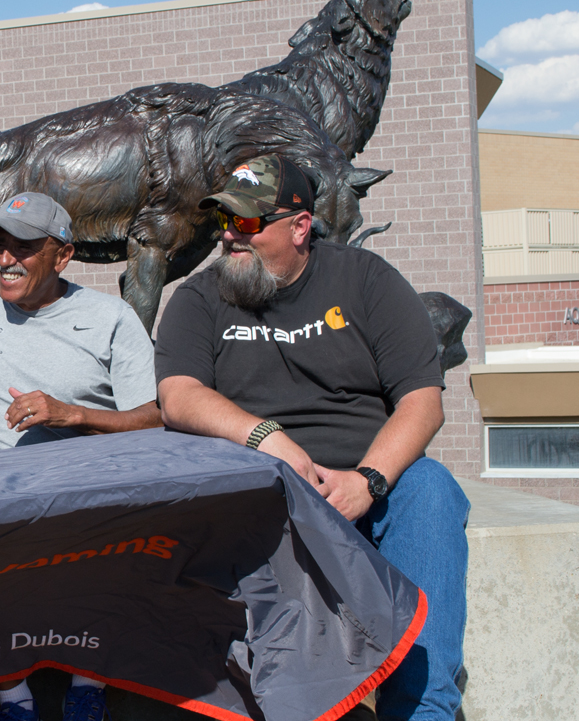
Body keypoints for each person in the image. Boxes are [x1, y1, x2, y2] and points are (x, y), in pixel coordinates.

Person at [154, 154, 469, 721]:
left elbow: (422, 400)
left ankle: (423, 708)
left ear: (300, 226)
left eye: (248, 222)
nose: (230, 236)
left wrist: (368, 481)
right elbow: (178, 396)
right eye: (225, 221)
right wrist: (269, 439)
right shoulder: (199, 299)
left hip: (365, 478)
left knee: (431, 490)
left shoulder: (367, 280)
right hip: (258, 484)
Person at [0, 192, 160, 721]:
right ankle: (15, 698)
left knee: (110, 560)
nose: (6, 259)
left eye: (24, 247)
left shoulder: (109, 316)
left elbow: (154, 417)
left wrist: (73, 414)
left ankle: (88, 686)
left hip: (90, 493)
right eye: (0, 245)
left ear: (63, 255)